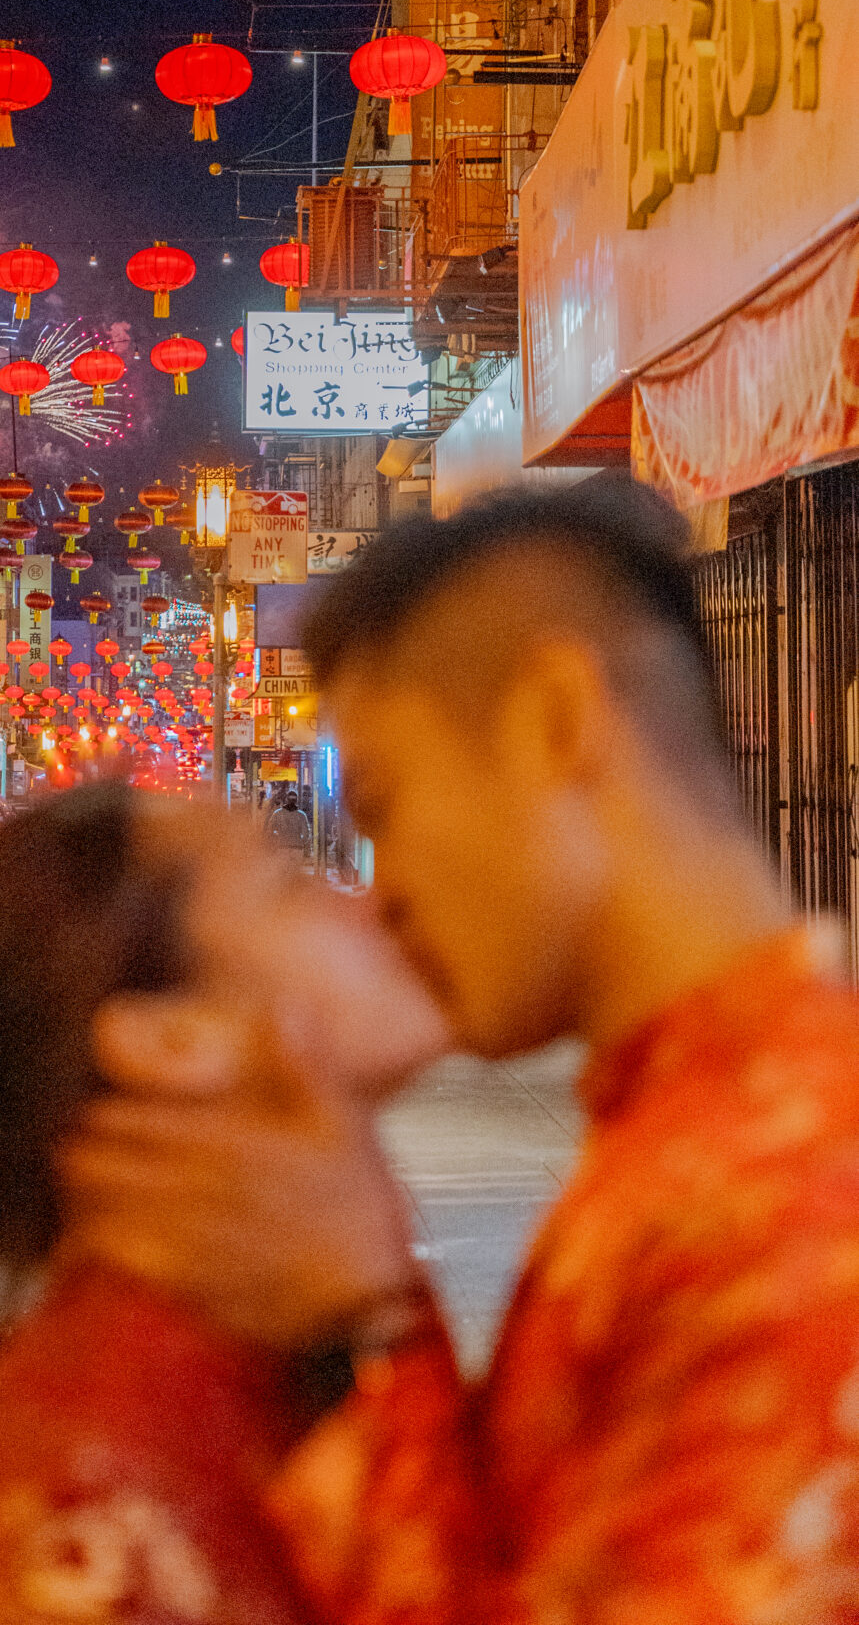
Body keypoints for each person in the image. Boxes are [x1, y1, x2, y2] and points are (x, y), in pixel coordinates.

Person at [64, 481, 859, 1621]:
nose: (379, 898)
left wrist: (375, 1326)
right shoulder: (701, 1138)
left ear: (554, 722)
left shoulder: (780, 1205)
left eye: (383, 806)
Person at [0, 786, 445, 1625]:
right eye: (287, 884)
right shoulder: (87, 1513)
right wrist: (388, 1314)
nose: (373, 901)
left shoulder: (245, 1352)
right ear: (168, 1040)